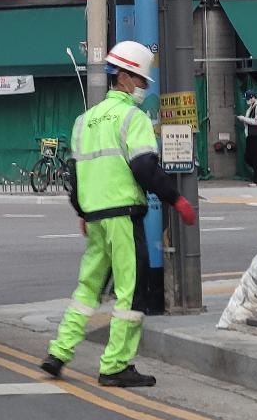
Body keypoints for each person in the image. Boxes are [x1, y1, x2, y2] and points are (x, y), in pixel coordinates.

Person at [40, 41, 197, 388]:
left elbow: (75, 175)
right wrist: (176, 199)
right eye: (141, 81)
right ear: (124, 77)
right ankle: (115, 365)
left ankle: (59, 352)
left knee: (87, 288)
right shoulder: (132, 118)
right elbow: (145, 167)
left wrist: (83, 211)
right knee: (131, 291)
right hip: (124, 216)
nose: (143, 88)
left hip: (94, 218)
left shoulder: (84, 121)